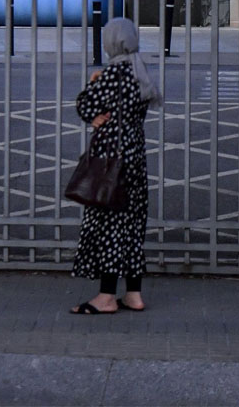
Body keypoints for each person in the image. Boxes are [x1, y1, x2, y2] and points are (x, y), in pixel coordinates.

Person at [70, 18, 160, 314]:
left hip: (111, 162)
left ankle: (106, 296)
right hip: (135, 159)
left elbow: (85, 105)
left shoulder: (112, 74)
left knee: (108, 224)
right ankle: (133, 294)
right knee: (133, 226)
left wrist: (94, 83)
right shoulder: (139, 72)